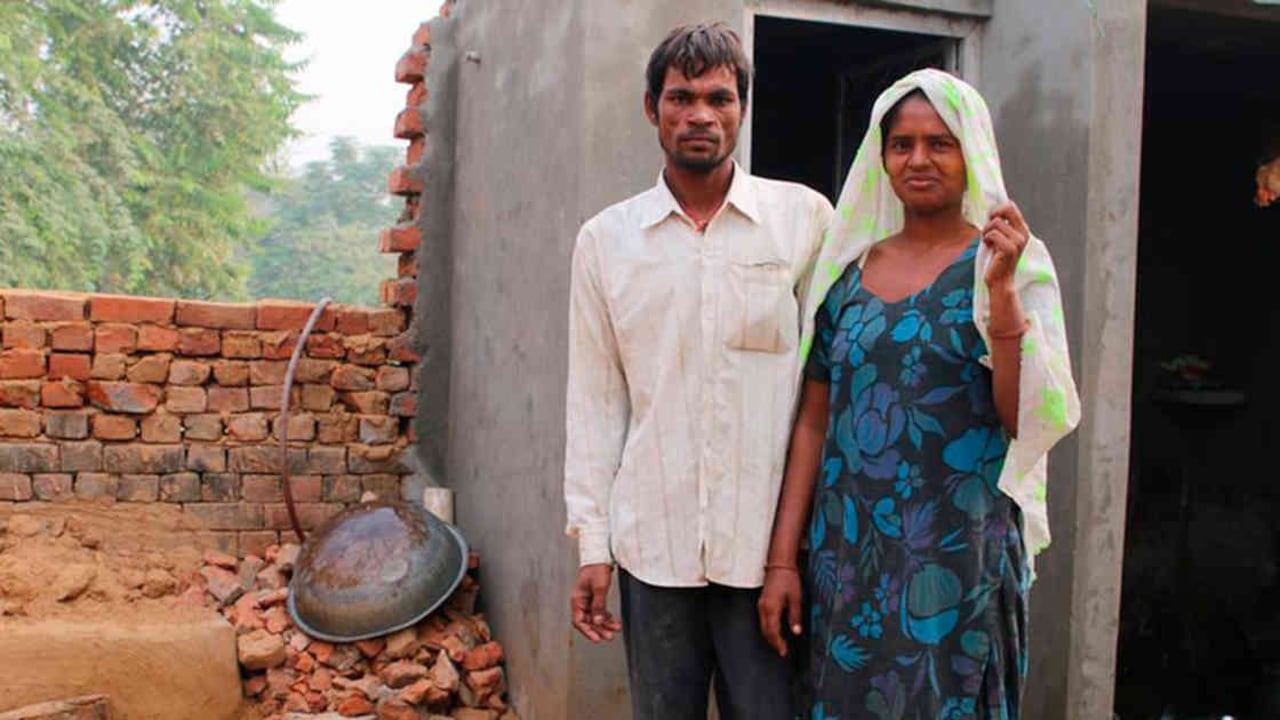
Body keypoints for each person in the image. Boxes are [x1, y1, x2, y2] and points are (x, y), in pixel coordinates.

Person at [758, 69, 1081, 718]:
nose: (919, 159)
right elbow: (813, 426)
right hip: (847, 561)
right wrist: (782, 563)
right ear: (880, 159)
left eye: (940, 142)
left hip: (960, 561)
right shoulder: (846, 279)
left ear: (973, 152)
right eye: (902, 144)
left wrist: (1002, 297)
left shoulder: (1007, 265)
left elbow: (1022, 421)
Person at [563, 22, 833, 720]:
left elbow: (825, 392)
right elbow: (596, 399)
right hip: (653, 547)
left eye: (720, 98)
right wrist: (594, 545)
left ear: (742, 108)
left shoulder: (803, 221)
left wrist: (797, 551)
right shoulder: (606, 242)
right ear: (651, 108)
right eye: (681, 98)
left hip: (767, 556)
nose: (701, 116)